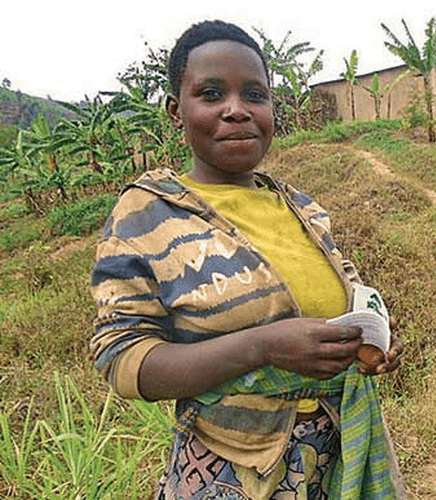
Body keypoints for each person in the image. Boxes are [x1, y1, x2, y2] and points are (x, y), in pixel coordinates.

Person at [90, 20, 404, 500]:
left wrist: (367, 346)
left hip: (338, 457)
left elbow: (351, 303)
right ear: (176, 110)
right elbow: (123, 360)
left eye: (255, 95)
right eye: (211, 94)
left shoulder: (300, 207)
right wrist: (261, 347)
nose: (236, 111)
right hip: (233, 471)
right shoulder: (146, 214)